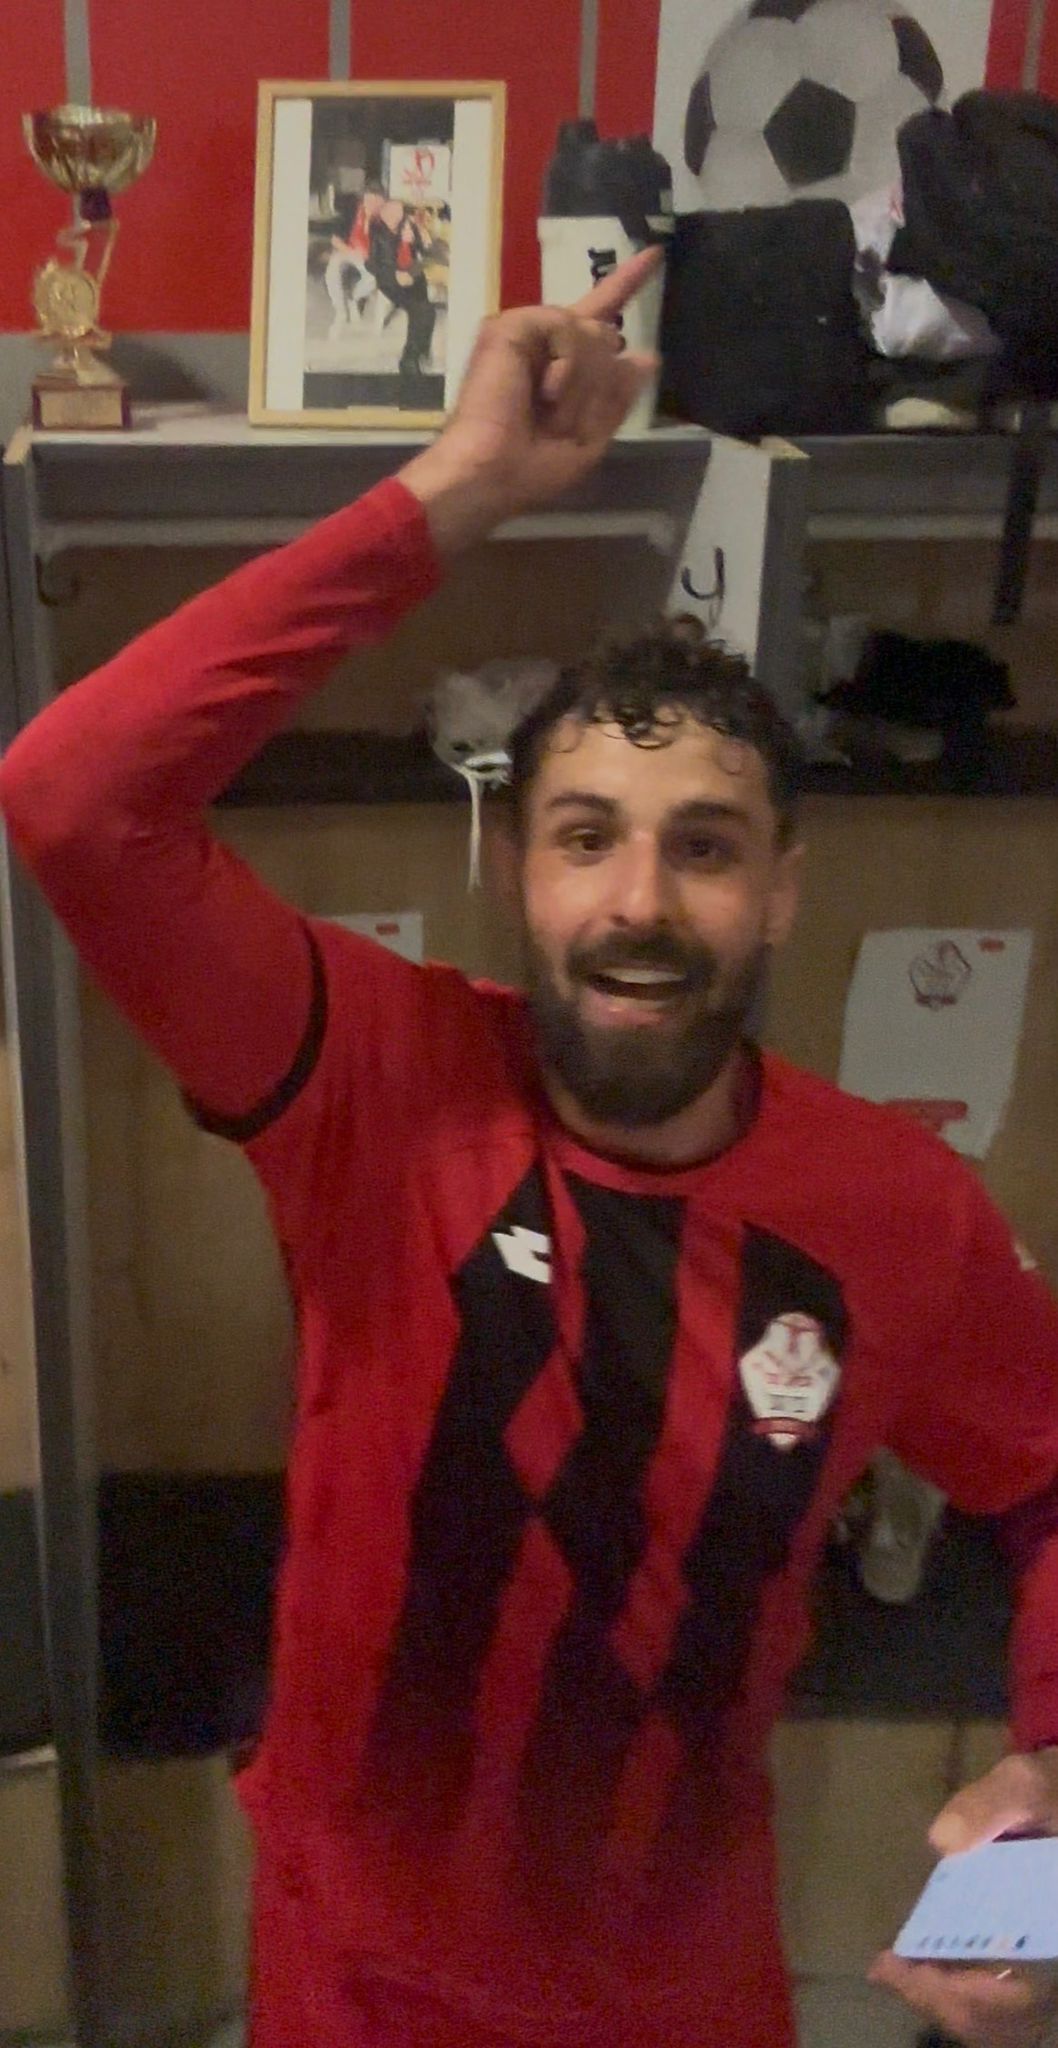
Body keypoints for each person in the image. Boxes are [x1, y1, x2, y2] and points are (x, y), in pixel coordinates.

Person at [2, 253, 1057, 2048]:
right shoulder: (367, 1073)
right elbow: (72, 796)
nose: (637, 901)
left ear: (779, 892)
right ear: (517, 870)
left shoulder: (896, 1214)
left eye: (703, 846)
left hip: (683, 2007)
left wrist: (1043, 1782)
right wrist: (462, 485)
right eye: (585, 836)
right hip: (354, 1997)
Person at [324, 183, 384, 340]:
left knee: (373, 278)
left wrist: (369, 256)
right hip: (347, 251)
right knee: (333, 268)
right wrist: (351, 252)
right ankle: (340, 311)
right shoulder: (350, 212)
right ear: (363, 200)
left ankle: (353, 299)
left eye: (377, 203)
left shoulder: (381, 221)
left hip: (367, 258)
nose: (372, 206)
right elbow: (335, 240)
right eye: (369, 201)